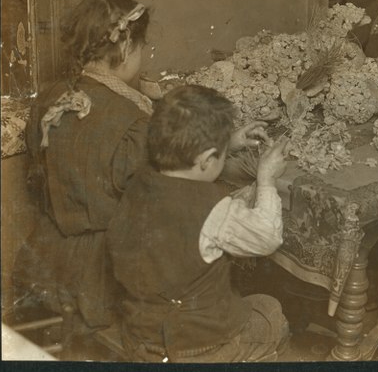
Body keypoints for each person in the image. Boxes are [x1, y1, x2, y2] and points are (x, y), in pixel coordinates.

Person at [107, 85, 291, 362]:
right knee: (271, 312)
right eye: (216, 155)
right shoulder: (211, 211)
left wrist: (226, 144)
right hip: (196, 348)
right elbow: (268, 237)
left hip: (141, 335)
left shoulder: (139, 181)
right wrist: (266, 178)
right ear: (206, 160)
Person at [13, 0, 153, 350]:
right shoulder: (133, 120)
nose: (145, 54)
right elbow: (142, 201)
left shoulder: (48, 100)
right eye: (143, 45)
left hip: (42, 255)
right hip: (100, 271)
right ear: (125, 48)